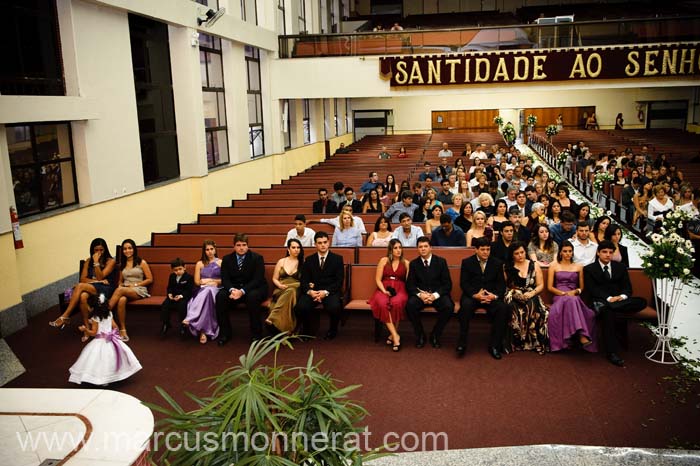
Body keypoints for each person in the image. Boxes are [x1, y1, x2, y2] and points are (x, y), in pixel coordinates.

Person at [584, 240, 650, 367]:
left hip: (619, 301)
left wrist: (621, 297)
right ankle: (612, 353)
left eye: (610, 252)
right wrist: (609, 299)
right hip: (601, 301)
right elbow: (592, 289)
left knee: (642, 301)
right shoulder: (589, 269)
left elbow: (628, 288)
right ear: (598, 253)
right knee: (608, 312)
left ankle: (613, 306)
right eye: (604, 252)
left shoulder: (620, 267)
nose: (608, 255)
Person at [69, 294, 142, 385]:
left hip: (100, 341)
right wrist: (114, 335)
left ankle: (102, 379)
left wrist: (85, 330)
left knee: (99, 360)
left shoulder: (95, 318)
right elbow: (115, 327)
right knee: (112, 358)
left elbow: (94, 333)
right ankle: (117, 375)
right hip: (111, 340)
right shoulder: (109, 314)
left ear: (92, 307)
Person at [50, 238, 118, 331]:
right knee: (82, 296)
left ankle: (65, 316)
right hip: (93, 287)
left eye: (101, 250)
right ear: (92, 250)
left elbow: (100, 277)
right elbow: (82, 279)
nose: (99, 252)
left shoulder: (111, 261)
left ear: (105, 249)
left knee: (80, 286)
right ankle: (87, 327)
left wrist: (96, 262)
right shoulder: (87, 261)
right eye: (96, 250)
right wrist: (96, 281)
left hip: (106, 288)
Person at [458, 237, 509, 359]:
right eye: (482, 249)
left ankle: (494, 346)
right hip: (473, 296)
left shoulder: (497, 263)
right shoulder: (467, 262)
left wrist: (494, 296)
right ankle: (462, 344)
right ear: (476, 250)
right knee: (465, 307)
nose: (486, 252)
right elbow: (464, 283)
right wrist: (475, 295)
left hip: (490, 296)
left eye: (488, 249)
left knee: (503, 309)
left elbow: (501, 285)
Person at [215, 233, 268, 345]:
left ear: (247, 246)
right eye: (238, 245)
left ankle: (256, 335)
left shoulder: (257, 258)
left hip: (254, 288)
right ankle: (225, 333)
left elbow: (257, 279)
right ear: (234, 246)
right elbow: (225, 279)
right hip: (234, 289)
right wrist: (232, 290)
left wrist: (242, 291)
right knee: (220, 296)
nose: (241, 247)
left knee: (252, 297)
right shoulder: (227, 259)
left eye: (244, 245)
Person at [547, 241, 597, 352]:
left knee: (576, 302)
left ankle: (577, 334)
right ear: (560, 252)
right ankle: (581, 335)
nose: (568, 253)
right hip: (559, 295)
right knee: (571, 300)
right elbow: (550, 287)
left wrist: (575, 291)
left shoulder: (579, 267)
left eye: (570, 251)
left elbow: (581, 288)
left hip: (574, 295)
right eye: (565, 251)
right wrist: (562, 293)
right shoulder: (554, 266)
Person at [405, 237, 454, 348]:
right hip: (421, 295)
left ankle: (435, 334)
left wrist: (435, 295)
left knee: (448, 306)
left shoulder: (441, 261)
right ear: (417, 249)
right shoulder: (413, 264)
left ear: (431, 248)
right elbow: (410, 285)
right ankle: (420, 335)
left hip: (437, 294)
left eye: (425, 246)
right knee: (410, 306)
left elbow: (447, 284)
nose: (423, 249)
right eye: (420, 247)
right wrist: (420, 295)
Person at [296, 231, 344, 340]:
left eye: (325, 242)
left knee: (334, 307)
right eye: (319, 243)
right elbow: (304, 280)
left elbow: (339, 281)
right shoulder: (309, 260)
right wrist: (310, 292)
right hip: (313, 291)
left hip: (329, 292)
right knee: (301, 306)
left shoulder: (337, 259)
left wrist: (325, 292)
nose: (322, 245)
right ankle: (307, 331)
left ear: (329, 243)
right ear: (315, 244)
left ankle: (333, 330)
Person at [503, 242, 549, 354]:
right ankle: (517, 342)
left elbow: (540, 285)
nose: (520, 255)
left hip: (531, 293)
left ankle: (533, 341)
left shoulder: (534, 265)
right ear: (512, 255)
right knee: (512, 307)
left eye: (522, 252)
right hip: (513, 294)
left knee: (532, 306)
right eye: (517, 253)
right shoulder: (507, 267)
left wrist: (531, 293)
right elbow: (505, 286)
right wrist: (515, 294)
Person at [108, 239, 153, 342]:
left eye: (129, 248)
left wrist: (134, 284)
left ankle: (103, 312)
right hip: (125, 289)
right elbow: (120, 281)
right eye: (124, 249)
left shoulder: (141, 262)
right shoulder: (122, 264)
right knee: (122, 300)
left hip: (139, 289)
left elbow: (150, 279)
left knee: (120, 291)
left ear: (134, 249)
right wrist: (121, 285)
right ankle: (123, 329)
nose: (127, 251)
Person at [369, 239, 409, 352]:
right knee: (382, 303)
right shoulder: (384, 260)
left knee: (397, 303)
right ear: (390, 250)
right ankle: (395, 335)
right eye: (395, 248)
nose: (398, 250)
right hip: (383, 288)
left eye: (400, 247)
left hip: (400, 288)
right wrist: (384, 291)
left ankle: (393, 336)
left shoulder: (406, 263)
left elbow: (408, 281)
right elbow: (377, 279)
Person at [183, 240, 222, 344]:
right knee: (206, 294)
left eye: (211, 249)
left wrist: (211, 281)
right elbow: (197, 281)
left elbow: (224, 280)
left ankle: (191, 318)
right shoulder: (200, 263)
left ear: (215, 249)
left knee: (209, 291)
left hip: (216, 289)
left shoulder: (221, 262)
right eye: (207, 250)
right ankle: (204, 331)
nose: (209, 252)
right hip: (202, 289)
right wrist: (204, 282)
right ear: (204, 251)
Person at [265, 238, 303, 334]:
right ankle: (287, 331)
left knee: (291, 291)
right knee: (289, 292)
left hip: (296, 288)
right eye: (293, 247)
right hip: (281, 288)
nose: (296, 249)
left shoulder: (303, 262)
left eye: (298, 247)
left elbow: (305, 280)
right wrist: (280, 285)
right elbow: (274, 278)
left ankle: (273, 317)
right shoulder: (281, 261)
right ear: (288, 249)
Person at [160, 258, 193, 337]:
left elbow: (189, 290)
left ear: (185, 267)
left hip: (184, 297)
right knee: (165, 305)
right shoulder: (172, 276)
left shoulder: (189, 277)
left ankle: (183, 326)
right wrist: (169, 294)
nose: (178, 271)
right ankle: (166, 323)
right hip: (173, 297)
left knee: (182, 306)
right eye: (175, 270)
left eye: (180, 269)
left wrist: (181, 296)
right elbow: (169, 287)